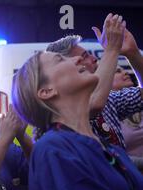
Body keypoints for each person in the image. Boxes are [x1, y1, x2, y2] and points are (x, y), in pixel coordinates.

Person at [13, 16, 143, 190]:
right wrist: (112, 49)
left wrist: (131, 53)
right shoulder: (53, 150)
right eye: (62, 62)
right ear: (46, 91)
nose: (78, 62)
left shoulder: (107, 147)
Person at [46, 14, 143, 148]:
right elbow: (92, 104)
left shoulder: (109, 100)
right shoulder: (60, 106)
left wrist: (133, 54)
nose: (94, 59)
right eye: (83, 57)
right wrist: (112, 49)